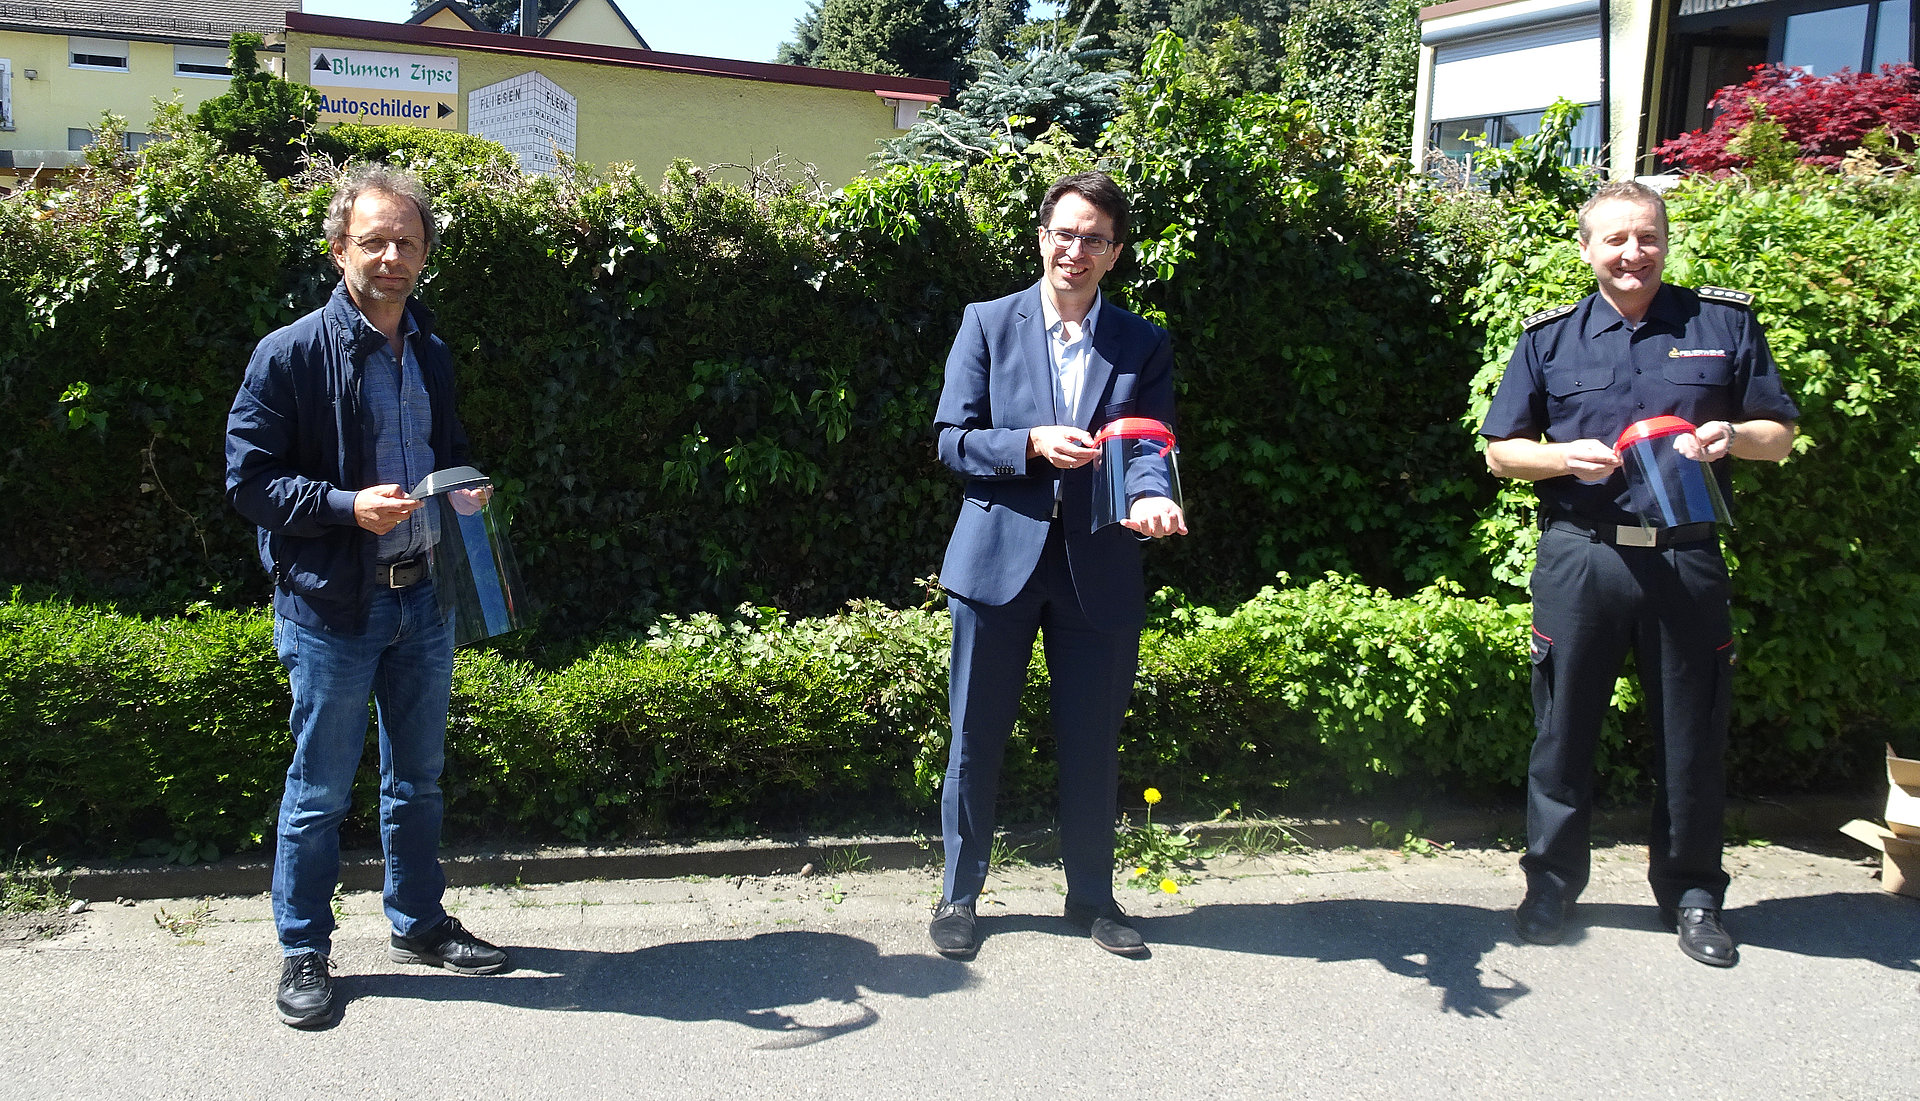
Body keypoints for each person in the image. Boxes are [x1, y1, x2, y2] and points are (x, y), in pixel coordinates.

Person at [1480, 179, 1798, 968]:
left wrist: (1734, 435)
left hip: (1685, 555)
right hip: (1582, 554)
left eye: (1646, 237)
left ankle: (1693, 895)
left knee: (1692, 735)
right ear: (1586, 248)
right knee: (1561, 732)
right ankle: (1550, 884)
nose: (1633, 253)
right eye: (1615, 240)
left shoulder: (1722, 323)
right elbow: (1500, 449)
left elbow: (1780, 433)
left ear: (1665, 240)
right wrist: (1558, 457)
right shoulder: (1549, 338)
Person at [226, 164, 509, 1028]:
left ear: (425, 255)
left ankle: (417, 922)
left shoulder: (431, 350)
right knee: (317, 792)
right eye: (375, 240)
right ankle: (304, 947)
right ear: (338, 246)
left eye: (407, 242)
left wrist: (465, 486)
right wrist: (348, 507)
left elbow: (446, 443)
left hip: (422, 601)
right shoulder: (288, 354)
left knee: (417, 781)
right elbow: (250, 480)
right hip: (334, 610)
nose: (392, 256)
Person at [928, 171, 1187, 960]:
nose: (1076, 250)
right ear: (1042, 236)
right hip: (996, 562)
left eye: (1095, 239)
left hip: (1098, 567)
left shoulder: (1140, 341)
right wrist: (1030, 445)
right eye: (1065, 233)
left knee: (1091, 740)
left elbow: (1146, 442)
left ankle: (1092, 897)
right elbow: (951, 440)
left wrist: (1149, 500)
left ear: (1115, 252)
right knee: (974, 738)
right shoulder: (987, 323)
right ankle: (959, 896)